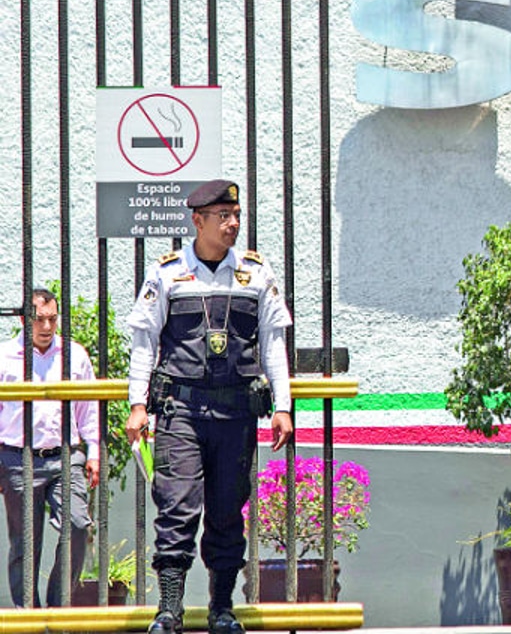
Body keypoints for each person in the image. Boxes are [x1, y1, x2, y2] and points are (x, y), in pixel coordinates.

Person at [124, 179, 293, 634]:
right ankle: (169, 611)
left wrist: (284, 405)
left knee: (226, 512)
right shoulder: (167, 273)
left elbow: (274, 344)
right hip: (181, 413)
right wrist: (137, 404)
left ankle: (222, 610)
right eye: (223, 217)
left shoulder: (256, 273)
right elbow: (144, 343)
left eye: (236, 216)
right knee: (176, 510)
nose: (233, 224)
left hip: (236, 414)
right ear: (197, 221)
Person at [0, 286, 101, 607]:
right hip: (17, 458)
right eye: (38, 319)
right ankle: (28, 614)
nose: (46, 327)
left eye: (52, 319)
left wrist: (95, 451)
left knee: (77, 525)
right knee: (25, 544)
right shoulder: (4, 356)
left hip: (66, 456)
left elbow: (90, 409)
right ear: (22, 318)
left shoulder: (75, 354)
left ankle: (58, 611)